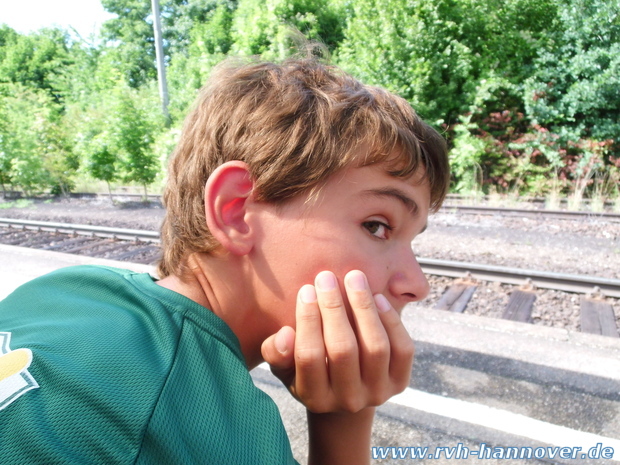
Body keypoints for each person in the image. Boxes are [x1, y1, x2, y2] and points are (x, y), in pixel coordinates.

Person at [0, 54, 449, 464]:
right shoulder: (210, 435)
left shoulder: (62, 291)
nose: (416, 284)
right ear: (234, 211)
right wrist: (346, 421)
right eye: (377, 225)